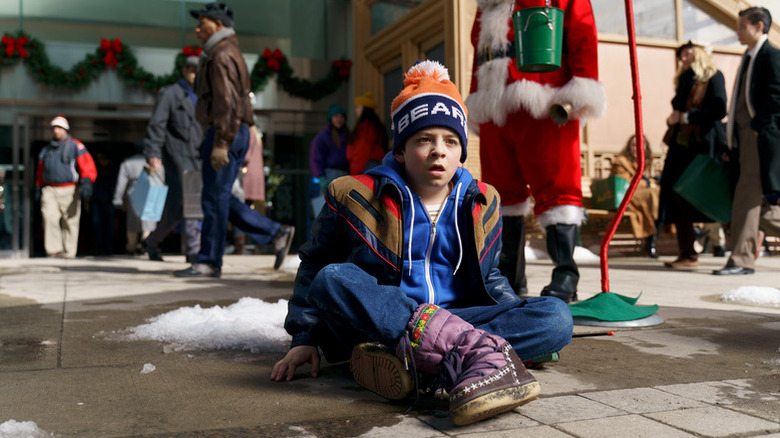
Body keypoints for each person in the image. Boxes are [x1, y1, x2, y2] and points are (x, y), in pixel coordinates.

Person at [270, 61, 573, 426]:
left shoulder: (483, 200)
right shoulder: (353, 193)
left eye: (450, 141)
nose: (438, 151)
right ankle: (473, 355)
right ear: (400, 150)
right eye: (423, 140)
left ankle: (411, 360)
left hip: (455, 318)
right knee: (334, 279)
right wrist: (303, 336)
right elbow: (316, 266)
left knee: (556, 317)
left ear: (461, 152)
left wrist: (521, 322)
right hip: (380, 318)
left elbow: (491, 279)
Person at [466, 0, 606, 302]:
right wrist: (476, 98)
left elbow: (582, 33)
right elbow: (481, 52)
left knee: (557, 187)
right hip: (495, 106)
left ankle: (566, 275)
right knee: (501, 194)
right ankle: (509, 278)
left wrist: (581, 89)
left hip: (545, 101)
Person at [175, 2, 294, 277]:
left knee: (214, 199)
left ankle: (208, 261)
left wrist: (221, 141)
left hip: (224, 131)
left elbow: (227, 102)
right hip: (230, 130)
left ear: (217, 24)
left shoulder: (221, 54)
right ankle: (276, 233)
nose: (196, 29)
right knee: (219, 197)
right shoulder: (224, 52)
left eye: (201, 22)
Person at [713, 6, 780, 275]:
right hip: (743, 139)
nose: (738, 31)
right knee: (757, 206)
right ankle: (740, 258)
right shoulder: (750, 56)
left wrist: (756, 127)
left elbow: (776, 97)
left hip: (758, 139)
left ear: (759, 27)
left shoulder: (771, 56)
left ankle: (741, 259)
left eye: (743, 26)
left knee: (747, 199)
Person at [660, 42, 727, 269]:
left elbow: (719, 110)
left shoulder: (714, 77)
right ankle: (687, 253)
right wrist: (673, 120)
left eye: (688, 54)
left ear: (699, 54)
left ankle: (742, 247)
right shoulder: (683, 81)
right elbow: (678, 111)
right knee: (676, 194)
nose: (684, 58)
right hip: (682, 146)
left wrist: (687, 118)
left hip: (705, 148)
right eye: (680, 56)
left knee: (715, 196)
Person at [141, 51, 204, 263]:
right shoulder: (170, 93)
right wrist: (153, 153)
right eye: (191, 70)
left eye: (198, 70)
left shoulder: (203, 96)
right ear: (184, 70)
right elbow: (157, 125)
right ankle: (193, 251)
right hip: (177, 157)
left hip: (198, 158)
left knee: (176, 209)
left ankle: (151, 242)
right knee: (190, 202)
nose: (195, 74)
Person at [35, 115, 97, 258]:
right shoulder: (46, 150)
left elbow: (87, 165)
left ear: (65, 129)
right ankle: (54, 250)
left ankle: (69, 252)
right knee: (49, 218)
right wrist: (39, 186)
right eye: (54, 128)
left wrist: (87, 182)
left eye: (59, 127)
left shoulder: (75, 145)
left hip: (70, 189)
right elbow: (40, 170)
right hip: (50, 189)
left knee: (70, 221)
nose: (56, 130)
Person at [611, 135, 660, 257]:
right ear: (629, 147)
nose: (637, 148)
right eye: (634, 145)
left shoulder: (644, 162)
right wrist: (647, 183)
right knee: (653, 195)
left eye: (640, 145)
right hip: (625, 197)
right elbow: (625, 184)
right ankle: (651, 242)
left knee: (661, 194)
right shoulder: (621, 161)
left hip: (642, 196)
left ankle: (651, 241)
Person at [113, 143, 159, 255]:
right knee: (149, 222)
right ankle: (147, 245)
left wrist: (117, 198)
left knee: (132, 222)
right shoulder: (153, 162)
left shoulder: (127, 163)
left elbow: (121, 182)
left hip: (133, 191)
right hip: (150, 190)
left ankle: (132, 246)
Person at [309, 103, 349, 188]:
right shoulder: (323, 136)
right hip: (330, 175)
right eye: (336, 116)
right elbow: (315, 157)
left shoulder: (349, 135)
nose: (339, 119)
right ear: (331, 118)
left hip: (347, 174)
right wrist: (321, 176)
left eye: (341, 117)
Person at [346, 92, 387, 175]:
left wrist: (355, 169)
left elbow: (362, 149)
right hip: (370, 164)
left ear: (364, 108)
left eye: (358, 107)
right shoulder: (374, 125)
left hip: (363, 167)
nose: (355, 110)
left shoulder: (366, 126)